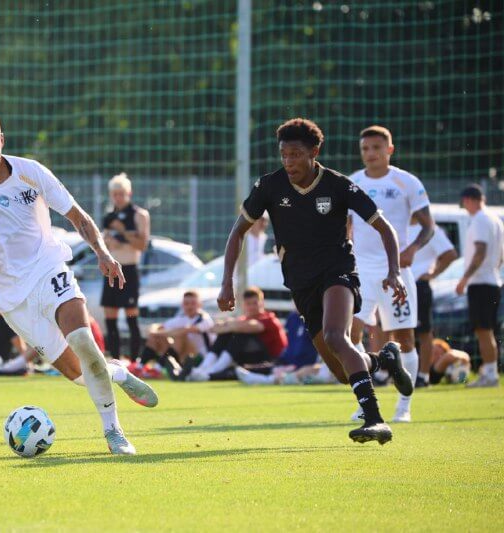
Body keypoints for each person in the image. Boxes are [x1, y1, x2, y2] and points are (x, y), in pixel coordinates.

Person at [0, 110, 157, 455]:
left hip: (48, 268)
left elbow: (78, 216)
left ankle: (114, 432)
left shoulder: (31, 172)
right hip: (11, 298)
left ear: (2, 140)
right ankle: (119, 374)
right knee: (80, 374)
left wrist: (102, 252)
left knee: (83, 340)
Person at [218, 118, 412, 445]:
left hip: (338, 272)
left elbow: (384, 228)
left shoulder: (338, 185)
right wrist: (227, 282)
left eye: (296, 155)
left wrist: (394, 271)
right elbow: (238, 231)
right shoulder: (269, 186)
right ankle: (383, 359)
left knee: (337, 336)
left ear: (314, 152)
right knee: (341, 372)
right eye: (284, 155)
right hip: (301, 282)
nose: (289, 162)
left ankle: (375, 419)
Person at [348, 125, 435, 423]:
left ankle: (404, 406)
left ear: (390, 150)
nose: (370, 153)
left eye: (376, 148)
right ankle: (366, 401)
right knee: (351, 334)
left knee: (405, 339)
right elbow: (345, 226)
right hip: (360, 271)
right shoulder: (353, 182)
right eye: (365, 149)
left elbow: (429, 225)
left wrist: (411, 250)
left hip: (395, 273)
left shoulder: (406, 182)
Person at [456, 184, 504, 388]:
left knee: (483, 330)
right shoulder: (495, 219)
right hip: (492, 280)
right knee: (487, 330)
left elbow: (480, 251)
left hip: (481, 283)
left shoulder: (480, 219)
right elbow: (500, 256)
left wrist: (464, 278)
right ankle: (489, 371)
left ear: (468, 200)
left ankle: (490, 375)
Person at [186, 286, 287, 381]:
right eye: (248, 304)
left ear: (262, 303)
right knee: (229, 333)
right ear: (243, 305)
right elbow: (213, 329)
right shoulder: (243, 319)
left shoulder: (269, 319)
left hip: (271, 360)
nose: (252, 307)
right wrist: (229, 325)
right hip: (249, 357)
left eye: (255, 303)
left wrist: (228, 325)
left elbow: (254, 326)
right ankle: (203, 368)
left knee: (241, 332)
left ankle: (212, 371)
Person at [101, 172, 150, 360]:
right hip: (111, 271)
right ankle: (115, 360)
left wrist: (122, 233)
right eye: (115, 194)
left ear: (129, 193)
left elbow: (142, 245)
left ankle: (134, 361)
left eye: (121, 194)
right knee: (110, 319)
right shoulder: (109, 217)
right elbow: (105, 243)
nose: (118, 198)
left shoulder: (139, 215)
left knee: (131, 318)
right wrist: (109, 242)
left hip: (129, 269)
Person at [407, 218, 458, 387]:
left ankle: (423, 376)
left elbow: (450, 254)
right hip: (399, 285)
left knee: (424, 332)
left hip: (419, 286)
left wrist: (433, 273)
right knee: (400, 332)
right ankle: (399, 374)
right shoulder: (398, 224)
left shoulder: (430, 230)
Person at [138, 291, 215, 371]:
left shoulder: (204, 319)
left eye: (193, 303)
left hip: (202, 357)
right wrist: (153, 332)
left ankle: (159, 368)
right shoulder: (182, 317)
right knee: (156, 337)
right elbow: (159, 326)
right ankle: (140, 366)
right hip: (184, 355)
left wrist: (156, 333)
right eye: (186, 303)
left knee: (180, 336)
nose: (189, 306)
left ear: (200, 305)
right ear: (182, 305)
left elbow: (184, 331)